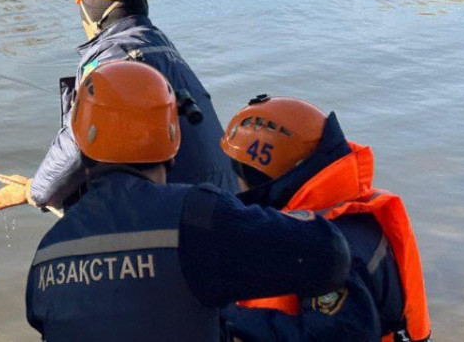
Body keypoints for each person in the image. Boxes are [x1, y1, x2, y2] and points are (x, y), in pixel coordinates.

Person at [26, 61, 352, 342]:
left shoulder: (47, 253)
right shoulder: (196, 217)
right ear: (171, 139)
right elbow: (330, 255)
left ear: (82, 148)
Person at [0, 0, 236, 214]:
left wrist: (36, 190)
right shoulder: (160, 47)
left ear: (89, 9)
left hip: (180, 212)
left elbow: (81, 140)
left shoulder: (113, 58)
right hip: (222, 201)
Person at [219, 95, 431, 342]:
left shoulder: (328, 247)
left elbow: (341, 333)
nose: (237, 185)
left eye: (240, 173)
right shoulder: (339, 216)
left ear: (263, 179)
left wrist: (230, 319)